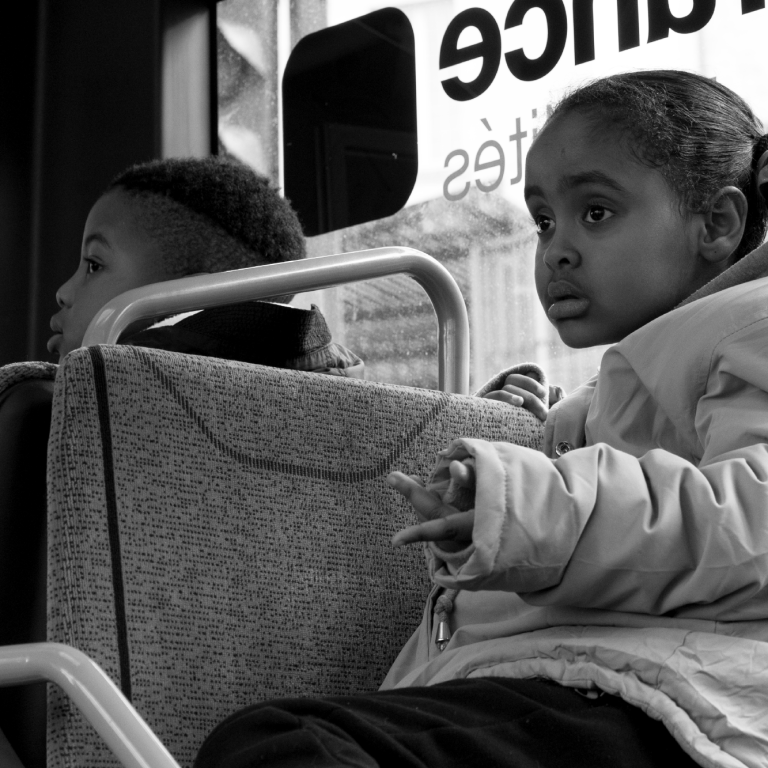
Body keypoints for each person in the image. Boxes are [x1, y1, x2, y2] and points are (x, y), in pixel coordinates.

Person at [193, 70, 768, 768]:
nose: (556, 250)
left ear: (717, 224)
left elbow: (752, 525)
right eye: (544, 221)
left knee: (285, 746)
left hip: (678, 701)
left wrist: (528, 507)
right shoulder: (615, 388)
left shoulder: (752, 326)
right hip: (601, 681)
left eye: (596, 212)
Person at [48, 156, 363, 377]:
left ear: (189, 298)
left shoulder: (90, 403)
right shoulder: (342, 389)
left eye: (93, 265)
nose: (63, 292)